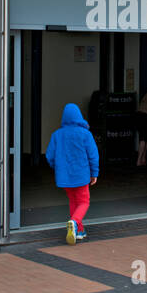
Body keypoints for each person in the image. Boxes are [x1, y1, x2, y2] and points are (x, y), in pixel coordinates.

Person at [46, 103, 100, 245]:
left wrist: (57, 167)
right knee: (83, 202)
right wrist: (94, 173)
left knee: (73, 201)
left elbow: (49, 156)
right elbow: (93, 155)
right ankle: (75, 222)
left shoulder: (57, 134)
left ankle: (79, 231)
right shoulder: (85, 134)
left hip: (64, 177)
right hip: (81, 176)